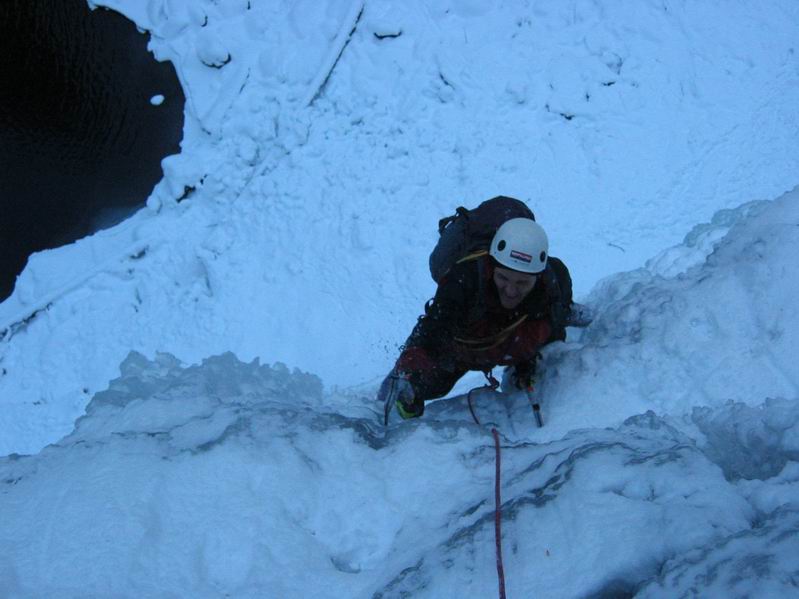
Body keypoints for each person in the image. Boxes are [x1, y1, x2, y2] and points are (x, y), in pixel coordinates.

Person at [379, 206, 589, 420]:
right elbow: (434, 327)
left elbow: (555, 322)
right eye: (503, 278)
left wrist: (529, 361)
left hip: (506, 339)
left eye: (522, 283)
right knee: (431, 385)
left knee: (547, 329)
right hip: (464, 346)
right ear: (492, 265)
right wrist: (413, 366)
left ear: (538, 276)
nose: (511, 290)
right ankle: (402, 391)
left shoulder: (553, 282)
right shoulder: (463, 280)